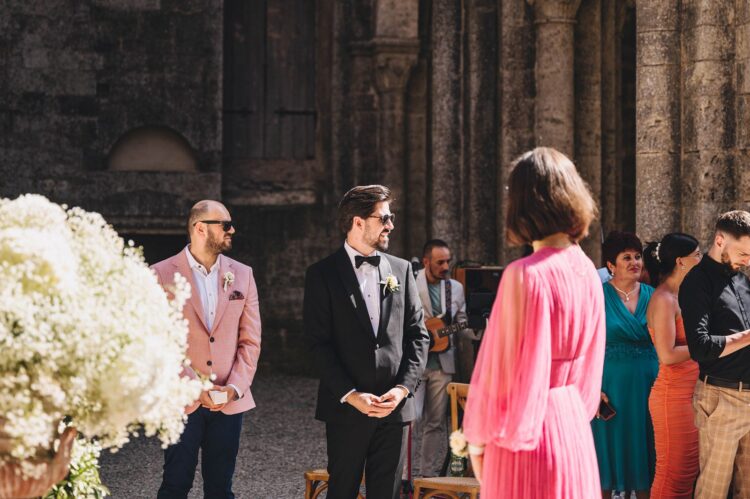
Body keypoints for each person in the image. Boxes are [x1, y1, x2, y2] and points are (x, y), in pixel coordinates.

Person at [463, 147, 605, 498]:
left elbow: (498, 371)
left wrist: (477, 443)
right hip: (572, 426)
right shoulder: (587, 269)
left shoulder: (524, 275)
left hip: (525, 435)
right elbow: (591, 362)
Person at [303, 185, 430, 499]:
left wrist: (402, 390)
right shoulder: (322, 274)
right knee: (342, 491)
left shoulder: (401, 270)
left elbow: (418, 336)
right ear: (358, 222)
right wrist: (351, 394)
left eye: (391, 217)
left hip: (394, 410)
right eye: (384, 217)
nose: (391, 225)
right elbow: (318, 345)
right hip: (347, 409)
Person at [153, 200, 262, 499]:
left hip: (228, 401)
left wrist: (234, 388)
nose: (232, 229)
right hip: (181, 400)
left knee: (221, 490)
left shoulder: (243, 274)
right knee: (175, 485)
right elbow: (159, 341)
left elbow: (250, 340)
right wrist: (193, 387)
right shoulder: (160, 274)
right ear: (201, 228)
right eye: (225, 224)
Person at [679, 211, 750, 499]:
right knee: (713, 492)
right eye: (743, 253)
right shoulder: (696, 282)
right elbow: (700, 347)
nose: (747, 260)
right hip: (720, 399)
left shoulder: (744, 280)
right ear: (720, 240)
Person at [591, 231, 658, 499]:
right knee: (606, 451)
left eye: (638, 256)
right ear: (610, 265)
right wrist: (592, 387)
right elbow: (586, 345)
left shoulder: (655, 296)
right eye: (626, 257)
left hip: (649, 383)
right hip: (610, 385)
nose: (635, 262)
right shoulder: (596, 295)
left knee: (647, 447)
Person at [408, 239, 475, 478]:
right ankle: (404, 476)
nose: (446, 266)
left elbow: (463, 323)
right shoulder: (410, 282)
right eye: (440, 262)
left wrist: (478, 329)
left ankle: (427, 475)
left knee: (435, 423)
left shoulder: (455, 288)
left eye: (448, 261)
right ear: (426, 262)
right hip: (414, 364)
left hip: (442, 364)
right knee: (410, 419)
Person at [643, 233, 702, 498]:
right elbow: (666, 355)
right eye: (697, 255)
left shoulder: (683, 294)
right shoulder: (663, 299)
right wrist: (711, 346)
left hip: (691, 395)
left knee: (688, 475)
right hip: (672, 397)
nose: (700, 259)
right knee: (672, 476)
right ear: (681, 261)